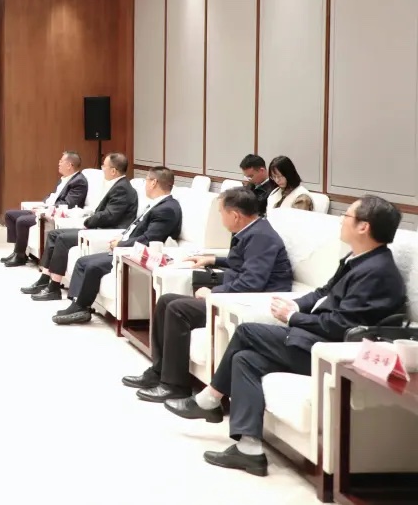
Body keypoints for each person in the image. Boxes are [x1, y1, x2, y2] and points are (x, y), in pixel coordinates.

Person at [164, 195, 407, 477]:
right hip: (314, 339)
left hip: (329, 354)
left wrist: (293, 318)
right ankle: (249, 449)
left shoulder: (377, 271)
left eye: (348, 216)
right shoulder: (357, 259)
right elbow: (322, 293)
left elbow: (342, 325)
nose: (342, 220)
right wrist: (295, 306)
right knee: (245, 359)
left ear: (364, 227)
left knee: (246, 331)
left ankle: (210, 398)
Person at [123, 187, 293, 402]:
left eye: (221, 212)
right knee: (166, 301)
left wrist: (214, 293)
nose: (220, 217)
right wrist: (213, 259)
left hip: (248, 303)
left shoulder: (261, 237)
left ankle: (174, 385)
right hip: (235, 296)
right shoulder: (253, 230)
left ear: (235, 215)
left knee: (177, 309)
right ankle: (159, 371)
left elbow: (252, 282)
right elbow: (241, 262)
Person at [51, 166, 183, 325]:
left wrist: (121, 244)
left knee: (93, 266)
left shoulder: (167, 209)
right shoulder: (157, 204)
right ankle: (77, 306)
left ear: (154, 182)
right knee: (82, 262)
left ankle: (81, 308)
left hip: (133, 254)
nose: (145, 184)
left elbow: (149, 239)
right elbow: (136, 228)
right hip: (126, 247)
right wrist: (120, 237)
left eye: (147, 180)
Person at [22, 153, 138, 298]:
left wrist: (87, 221)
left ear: (113, 171)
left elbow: (109, 216)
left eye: (104, 166)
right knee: (53, 234)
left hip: (105, 231)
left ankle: (54, 287)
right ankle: (44, 279)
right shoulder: (116, 185)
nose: (102, 169)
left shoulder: (122, 189)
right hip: (98, 226)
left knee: (62, 239)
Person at [1, 151, 88, 267]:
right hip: (46, 209)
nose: (59, 163)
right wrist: (42, 205)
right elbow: (52, 196)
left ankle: (20, 256)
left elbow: (68, 204)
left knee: (22, 221)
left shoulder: (79, 181)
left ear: (69, 165)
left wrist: (45, 208)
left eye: (61, 161)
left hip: (54, 214)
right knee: (10, 215)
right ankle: (17, 251)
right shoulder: (64, 179)